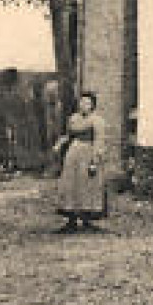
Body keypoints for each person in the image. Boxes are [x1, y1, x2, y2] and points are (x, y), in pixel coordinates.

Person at [54, 90, 107, 232]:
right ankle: (71, 219)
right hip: (73, 153)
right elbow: (68, 135)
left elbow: (99, 141)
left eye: (87, 103)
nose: (84, 105)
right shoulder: (73, 119)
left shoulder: (97, 120)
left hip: (88, 152)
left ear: (93, 105)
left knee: (87, 185)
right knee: (71, 184)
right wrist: (59, 144)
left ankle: (86, 220)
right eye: (82, 102)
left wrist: (95, 161)